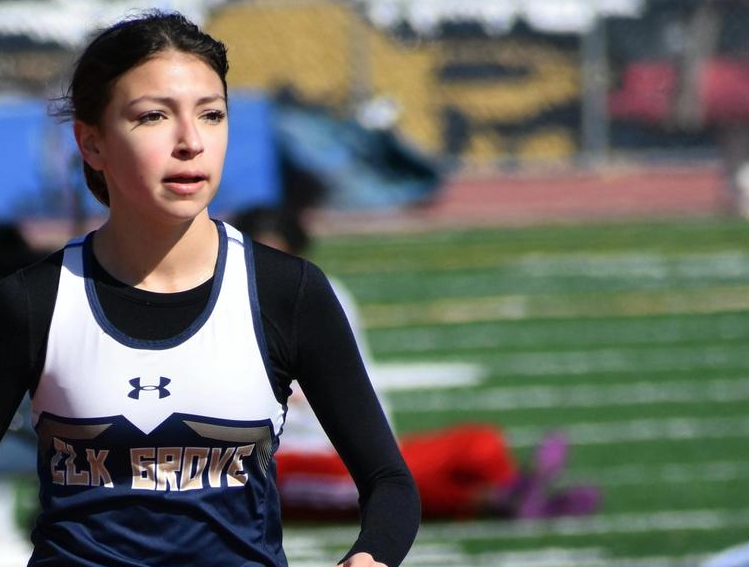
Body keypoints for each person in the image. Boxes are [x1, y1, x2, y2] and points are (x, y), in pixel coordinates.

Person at [0, 12, 419, 567]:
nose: (190, 140)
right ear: (92, 141)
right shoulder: (33, 301)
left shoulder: (287, 292)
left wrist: (374, 556)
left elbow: (388, 480)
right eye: (153, 116)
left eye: (211, 114)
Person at [230, 206, 600, 523]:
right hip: (274, 461)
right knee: (377, 488)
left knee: (480, 444)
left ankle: (517, 493)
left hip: (339, 446)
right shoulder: (225, 303)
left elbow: (353, 381)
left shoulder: (317, 292)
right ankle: (492, 503)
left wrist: (374, 445)